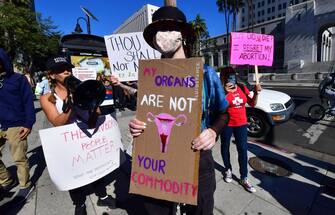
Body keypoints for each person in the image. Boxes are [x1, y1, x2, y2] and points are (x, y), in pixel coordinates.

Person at [128, 6, 229, 215]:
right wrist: (137, 126)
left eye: (169, 28)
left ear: (182, 34)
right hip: (157, 162)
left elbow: (223, 113)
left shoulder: (205, 73)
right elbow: (147, 113)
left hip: (197, 157)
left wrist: (212, 131)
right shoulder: (150, 75)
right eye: (159, 29)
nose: (163, 34)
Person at [40, 56, 115, 215]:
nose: (66, 71)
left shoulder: (82, 88)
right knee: (73, 174)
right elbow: (57, 123)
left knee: (96, 168)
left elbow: (97, 113)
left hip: (88, 137)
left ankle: (102, 195)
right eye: (60, 69)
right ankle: (79, 204)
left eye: (67, 67)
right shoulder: (47, 98)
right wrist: (71, 105)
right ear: (52, 75)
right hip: (68, 142)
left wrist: (93, 106)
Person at [0, 48, 36, 202]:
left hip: (16, 124)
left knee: (19, 158)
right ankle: (7, 180)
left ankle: (25, 185)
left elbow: (28, 102)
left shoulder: (18, 79)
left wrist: (28, 123)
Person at [219, 67, 262, 193]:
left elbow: (252, 104)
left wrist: (256, 93)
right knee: (225, 146)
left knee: (242, 149)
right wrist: (225, 93)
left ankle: (244, 177)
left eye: (232, 75)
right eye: (227, 76)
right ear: (223, 77)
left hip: (241, 124)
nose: (231, 78)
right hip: (226, 124)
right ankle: (228, 169)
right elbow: (216, 107)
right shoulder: (220, 90)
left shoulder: (242, 88)